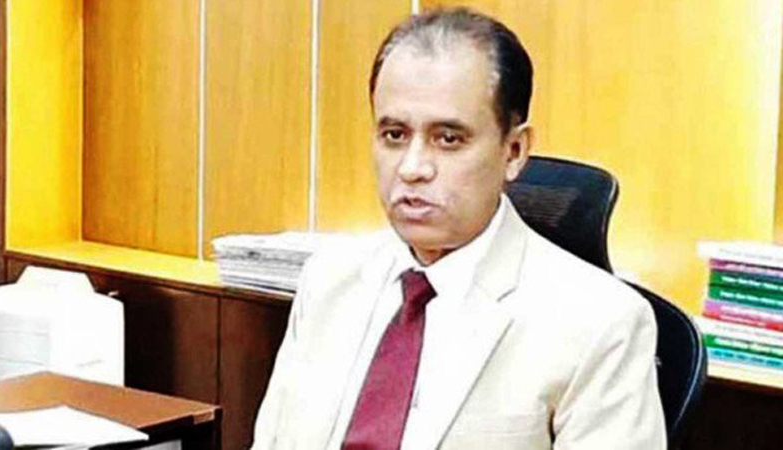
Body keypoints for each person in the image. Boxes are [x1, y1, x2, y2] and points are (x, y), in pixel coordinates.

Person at [252, 8, 665, 450]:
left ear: (514, 151)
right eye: (394, 135)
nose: (412, 168)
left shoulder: (602, 323)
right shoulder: (328, 280)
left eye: (448, 139)